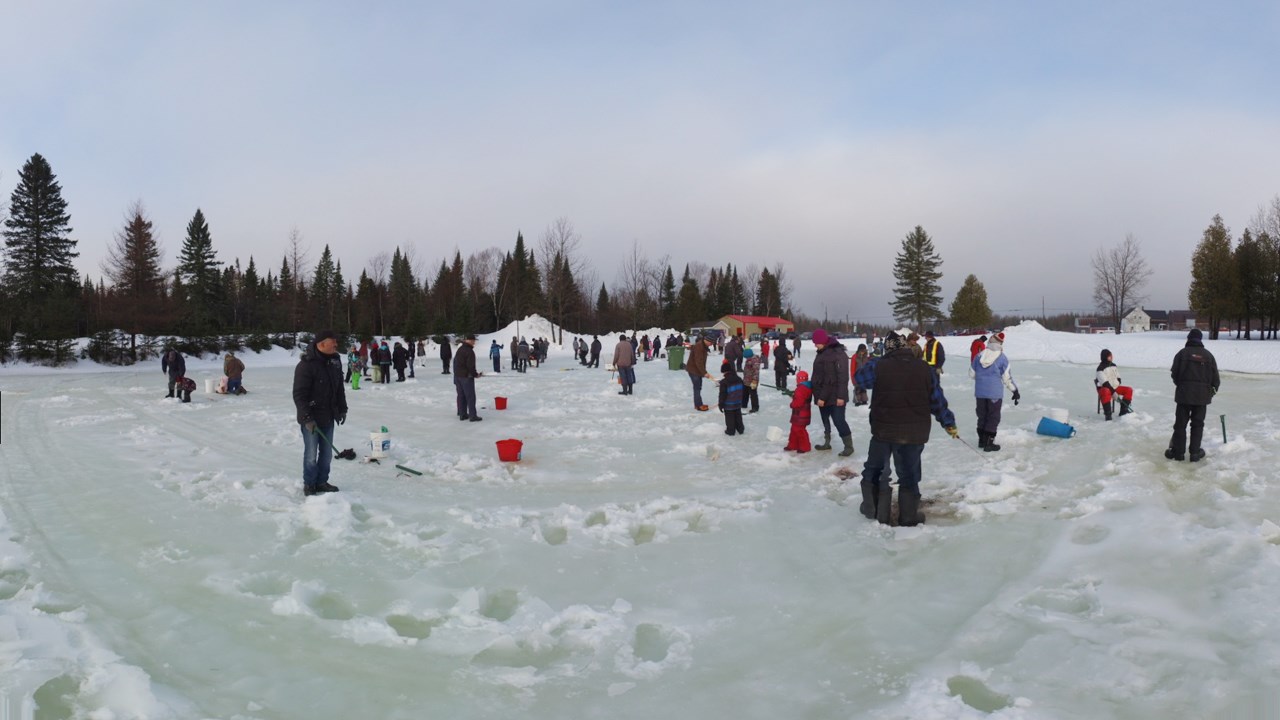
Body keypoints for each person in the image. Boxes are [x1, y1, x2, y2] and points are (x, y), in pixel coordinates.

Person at [853, 332, 959, 526]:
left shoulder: (878, 365)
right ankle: (908, 517)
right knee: (909, 475)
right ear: (906, 348)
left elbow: (860, 378)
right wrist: (948, 423)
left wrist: (877, 359)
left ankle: (873, 509)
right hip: (914, 433)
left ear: (888, 349)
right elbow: (937, 401)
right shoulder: (925, 368)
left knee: (875, 469)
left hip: (883, 431)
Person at [292, 330, 347, 497]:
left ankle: (322, 482)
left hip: (328, 415)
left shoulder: (335, 362)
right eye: (333, 341)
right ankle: (310, 484)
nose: (336, 344)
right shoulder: (306, 365)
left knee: (327, 454)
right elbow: (299, 395)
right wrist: (307, 418)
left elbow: (339, 389)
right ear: (321, 343)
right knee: (311, 454)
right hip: (311, 419)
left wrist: (342, 408)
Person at [1166, 328, 1220, 462]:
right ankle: (1195, 453)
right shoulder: (1208, 356)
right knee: (1197, 424)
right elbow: (1216, 380)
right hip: (1202, 397)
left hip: (1184, 396)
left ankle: (1178, 453)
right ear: (1200, 339)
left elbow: (1174, 373)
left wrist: (1181, 385)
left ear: (1189, 338)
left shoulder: (1182, 354)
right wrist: (1210, 393)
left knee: (1180, 425)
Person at [971, 331, 1020, 452]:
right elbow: (1006, 378)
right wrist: (1015, 390)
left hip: (980, 393)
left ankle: (981, 441)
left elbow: (971, 374)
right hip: (994, 393)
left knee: (982, 416)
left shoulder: (979, 355)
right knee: (993, 417)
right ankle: (989, 443)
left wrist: (982, 379)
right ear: (1000, 343)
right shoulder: (1002, 358)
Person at [810, 329, 854, 456]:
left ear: (823, 341)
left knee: (838, 420)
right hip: (822, 393)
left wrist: (839, 396)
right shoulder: (822, 352)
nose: (815, 345)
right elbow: (820, 375)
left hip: (834, 395)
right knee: (825, 419)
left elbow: (834, 379)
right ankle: (827, 442)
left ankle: (848, 446)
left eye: (816, 342)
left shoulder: (835, 354)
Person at [1095, 349, 1135, 420]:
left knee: (1129, 390)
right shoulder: (1100, 369)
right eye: (1110, 356)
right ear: (1105, 357)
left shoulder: (1114, 365)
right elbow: (1105, 383)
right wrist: (1114, 393)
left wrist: (1118, 382)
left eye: (1111, 355)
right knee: (1106, 391)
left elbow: (1118, 376)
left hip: (1114, 387)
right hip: (1103, 389)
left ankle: (1123, 410)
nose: (1112, 357)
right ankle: (1108, 415)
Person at [453, 334, 482, 421]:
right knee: (470, 396)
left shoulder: (460, 349)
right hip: (466, 377)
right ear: (470, 340)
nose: (474, 342)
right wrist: (475, 374)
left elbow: (456, 363)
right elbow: (470, 366)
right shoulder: (469, 351)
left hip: (458, 376)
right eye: (473, 341)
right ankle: (473, 416)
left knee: (461, 396)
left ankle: (463, 414)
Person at [784, 370, 813, 453]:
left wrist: (792, 404)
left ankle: (805, 447)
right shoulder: (806, 387)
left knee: (799, 430)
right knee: (794, 429)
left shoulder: (801, 389)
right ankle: (793, 445)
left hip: (800, 414)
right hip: (801, 413)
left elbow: (798, 403)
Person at [686, 334, 715, 411]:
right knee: (697, 387)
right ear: (707, 340)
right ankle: (698, 406)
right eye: (711, 343)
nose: (711, 344)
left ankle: (698, 404)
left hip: (697, 370)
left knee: (698, 387)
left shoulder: (703, 345)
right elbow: (698, 361)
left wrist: (703, 372)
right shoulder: (699, 346)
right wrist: (704, 372)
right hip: (693, 370)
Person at [719, 360, 746, 435]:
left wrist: (720, 404)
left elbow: (722, 394)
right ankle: (740, 429)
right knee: (738, 415)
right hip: (738, 402)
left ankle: (730, 430)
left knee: (729, 417)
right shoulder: (739, 379)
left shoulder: (724, 382)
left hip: (729, 404)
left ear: (725, 372)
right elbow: (743, 390)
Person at [742, 348, 761, 413]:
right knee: (745, 393)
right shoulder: (749, 359)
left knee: (753, 394)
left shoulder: (755, 361)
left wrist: (754, 380)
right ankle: (743, 404)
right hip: (746, 380)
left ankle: (755, 407)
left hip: (753, 381)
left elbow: (756, 372)